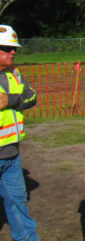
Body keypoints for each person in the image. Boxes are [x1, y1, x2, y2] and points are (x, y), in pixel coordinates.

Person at [0, 25, 40, 241]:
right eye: (6, 48)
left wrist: (10, 101)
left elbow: (31, 97)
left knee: (18, 200)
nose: (13, 52)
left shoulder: (14, 74)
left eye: (14, 48)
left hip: (11, 153)